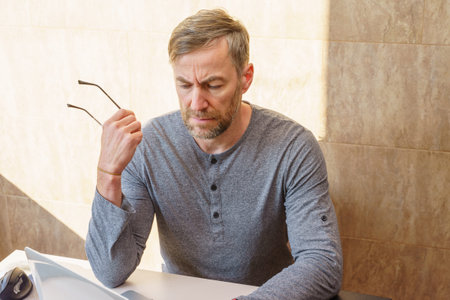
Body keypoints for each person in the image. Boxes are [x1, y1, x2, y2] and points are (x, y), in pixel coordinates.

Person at [85, 8, 342, 300]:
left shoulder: (294, 147)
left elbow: (322, 262)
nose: (196, 103)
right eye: (184, 85)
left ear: (246, 78)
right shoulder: (150, 147)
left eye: (213, 85)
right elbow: (111, 271)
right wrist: (108, 174)